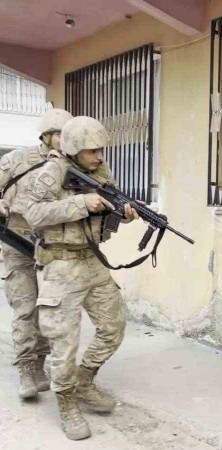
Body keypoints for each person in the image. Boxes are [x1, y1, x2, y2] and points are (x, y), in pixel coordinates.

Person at [14, 116, 140, 440]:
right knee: (63, 344)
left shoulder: (100, 171)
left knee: (113, 327)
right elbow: (33, 213)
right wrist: (80, 203)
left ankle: (84, 380)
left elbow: (107, 208)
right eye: (92, 151)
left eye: (101, 150)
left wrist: (124, 213)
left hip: (93, 262)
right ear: (73, 149)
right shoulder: (52, 172)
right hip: (61, 265)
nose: (99, 156)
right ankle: (67, 403)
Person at [0, 108, 73, 400]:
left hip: (53, 243)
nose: (65, 140)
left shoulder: (73, 165)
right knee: (25, 307)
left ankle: (41, 364)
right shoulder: (17, 159)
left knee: (51, 309)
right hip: (17, 239)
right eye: (60, 135)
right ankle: (27, 368)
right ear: (46, 135)